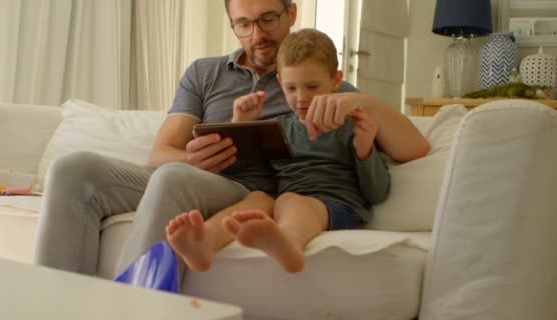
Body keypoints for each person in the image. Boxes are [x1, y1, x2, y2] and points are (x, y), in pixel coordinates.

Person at [33, 0, 429, 277]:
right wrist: (193, 158)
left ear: (291, 13)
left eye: (268, 19)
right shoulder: (204, 73)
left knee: (175, 178)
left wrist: (360, 103)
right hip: (197, 175)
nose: (257, 34)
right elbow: (161, 153)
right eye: (244, 23)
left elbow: (405, 145)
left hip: (253, 189)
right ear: (233, 24)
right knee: (73, 169)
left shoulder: (312, 79)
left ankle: (134, 307)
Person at [165, 28, 390, 273]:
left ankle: (289, 244)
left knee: (290, 201)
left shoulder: (351, 124)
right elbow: (238, 169)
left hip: (338, 207)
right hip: (284, 201)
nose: (301, 98)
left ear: (336, 81)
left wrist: (365, 150)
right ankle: (205, 240)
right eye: (291, 88)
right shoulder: (278, 128)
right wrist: (241, 122)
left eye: (312, 86)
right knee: (259, 198)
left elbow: (377, 193)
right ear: (281, 82)